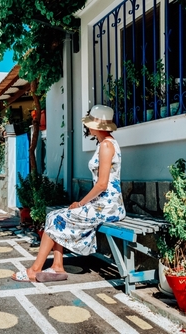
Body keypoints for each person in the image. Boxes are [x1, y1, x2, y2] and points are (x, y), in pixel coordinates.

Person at [12, 105, 126, 282]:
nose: (87, 127)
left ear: (96, 126)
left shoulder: (106, 146)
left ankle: (34, 270)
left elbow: (102, 184)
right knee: (55, 216)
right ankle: (57, 266)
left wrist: (81, 203)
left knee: (56, 218)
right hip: (105, 204)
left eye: (89, 124)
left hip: (107, 207)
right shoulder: (107, 144)